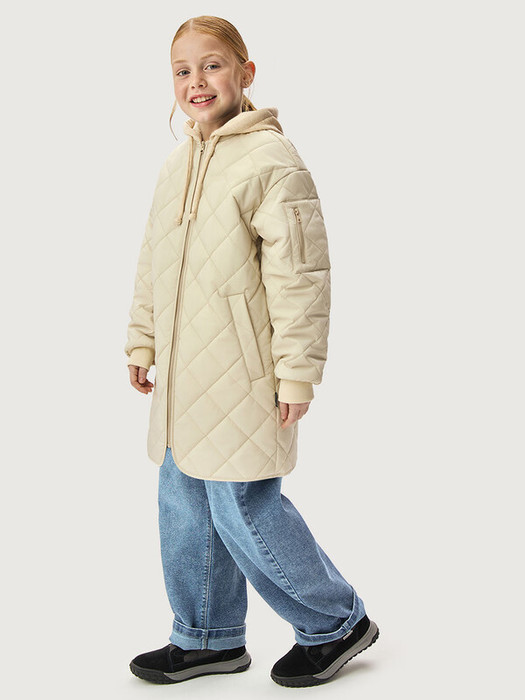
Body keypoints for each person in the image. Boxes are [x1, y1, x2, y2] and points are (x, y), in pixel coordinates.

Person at [124, 15, 379, 688]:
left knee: (242, 504)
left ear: (245, 72)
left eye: (211, 65)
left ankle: (335, 622)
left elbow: (301, 277)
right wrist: (142, 338)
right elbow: (154, 263)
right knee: (183, 503)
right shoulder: (177, 164)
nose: (196, 81)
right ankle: (206, 636)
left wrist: (297, 373)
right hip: (183, 377)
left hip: (244, 370)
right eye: (182, 71)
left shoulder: (271, 160)